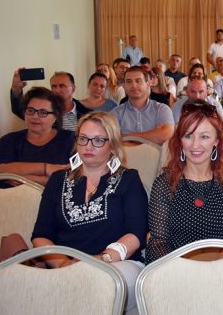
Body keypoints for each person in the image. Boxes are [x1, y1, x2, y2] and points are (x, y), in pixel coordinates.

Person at [31, 111, 148, 311]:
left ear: (113, 145)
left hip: (117, 264)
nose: (88, 146)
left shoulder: (129, 179)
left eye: (98, 140)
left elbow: (136, 234)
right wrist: (62, 265)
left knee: (96, 284)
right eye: (83, 139)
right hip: (65, 267)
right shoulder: (58, 181)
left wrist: (99, 260)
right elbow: (41, 235)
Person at [146, 100, 223, 263]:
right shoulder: (164, 184)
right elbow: (158, 242)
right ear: (180, 140)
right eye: (188, 136)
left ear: (216, 141)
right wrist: (188, 270)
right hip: (176, 270)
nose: (195, 145)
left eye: (204, 136)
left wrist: (214, 269)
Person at [0, 87, 74, 183]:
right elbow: (0, 170)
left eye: (43, 112)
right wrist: (46, 168)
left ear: (55, 116)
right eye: (30, 111)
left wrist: (32, 180)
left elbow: (76, 176)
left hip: (56, 193)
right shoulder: (8, 140)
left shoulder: (71, 140)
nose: (35, 116)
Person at [10, 69, 91, 131]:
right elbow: (18, 109)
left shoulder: (87, 114)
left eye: (62, 86)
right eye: (54, 86)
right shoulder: (43, 111)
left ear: (73, 89)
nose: (57, 90)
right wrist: (16, 89)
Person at [111, 66, 175, 145]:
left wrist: (127, 137)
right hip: (126, 154)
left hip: (155, 154)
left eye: (138, 81)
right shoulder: (116, 113)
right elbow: (112, 140)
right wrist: (154, 135)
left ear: (148, 84)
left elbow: (166, 134)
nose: (134, 85)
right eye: (129, 81)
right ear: (124, 85)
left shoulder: (162, 109)